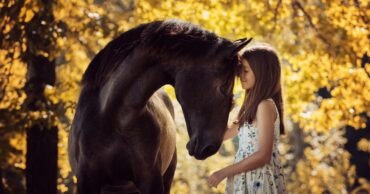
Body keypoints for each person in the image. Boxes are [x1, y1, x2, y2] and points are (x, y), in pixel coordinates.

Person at [207, 43, 287, 194]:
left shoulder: (265, 106)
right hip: (245, 180)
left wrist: (223, 172)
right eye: (239, 71)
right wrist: (224, 110)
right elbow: (222, 135)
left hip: (260, 181)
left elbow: (264, 155)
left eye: (245, 71)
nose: (240, 76)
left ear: (262, 73)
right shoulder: (251, 109)